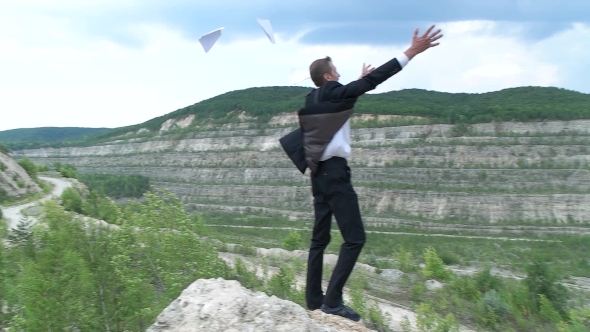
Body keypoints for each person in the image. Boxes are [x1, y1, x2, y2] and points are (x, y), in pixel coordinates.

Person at [298, 25, 443, 321]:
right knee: (355, 238)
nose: (338, 75)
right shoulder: (334, 92)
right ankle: (333, 301)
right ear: (327, 76)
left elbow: (348, 94)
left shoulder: (312, 99)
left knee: (319, 240)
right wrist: (411, 52)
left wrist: (359, 82)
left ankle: (314, 299)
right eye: (335, 71)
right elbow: (371, 82)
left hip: (317, 175)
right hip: (336, 174)